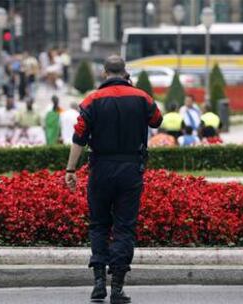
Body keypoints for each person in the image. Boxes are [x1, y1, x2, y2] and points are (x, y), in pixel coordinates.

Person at [65, 55, 162, 304]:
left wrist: (70, 170)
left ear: (104, 73)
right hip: (130, 168)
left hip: (101, 169)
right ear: (125, 72)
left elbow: (79, 137)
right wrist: (132, 87)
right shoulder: (142, 97)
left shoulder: (92, 100)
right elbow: (157, 120)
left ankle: (99, 282)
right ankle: (117, 287)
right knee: (124, 227)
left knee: (99, 224)